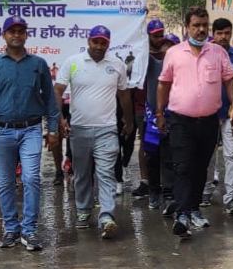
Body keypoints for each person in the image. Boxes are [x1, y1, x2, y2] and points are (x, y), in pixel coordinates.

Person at [0, 16, 60, 251]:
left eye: (21, 31)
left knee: (31, 178)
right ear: (4, 35)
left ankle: (29, 230)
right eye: (12, 31)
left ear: (26, 35)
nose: (17, 35)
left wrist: (53, 130)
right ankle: (11, 228)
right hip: (2, 131)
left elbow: (50, 99)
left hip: (31, 129)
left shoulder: (38, 64)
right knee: (5, 181)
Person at [156, 6, 233, 238]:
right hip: (180, 120)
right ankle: (182, 215)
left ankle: (194, 209)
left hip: (209, 121)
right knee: (183, 166)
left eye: (204, 25)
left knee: (201, 167)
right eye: (196, 25)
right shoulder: (174, 53)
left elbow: (229, 81)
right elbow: (163, 84)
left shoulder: (217, 53)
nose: (201, 30)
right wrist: (159, 113)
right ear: (187, 27)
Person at [55, 25, 134, 239]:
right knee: (82, 173)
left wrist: (128, 121)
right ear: (88, 41)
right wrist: (59, 118)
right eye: (95, 42)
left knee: (106, 173)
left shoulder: (117, 65)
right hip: (79, 129)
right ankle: (83, 210)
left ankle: (106, 216)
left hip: (107, 129)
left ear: (108, 44)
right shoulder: (73, 62)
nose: (99, 46)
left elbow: (124, 95)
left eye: (103, 43)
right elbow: (58, 90)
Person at [201, 18, 233, 215]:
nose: (223, 37)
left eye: (227, 33)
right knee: (208, 155)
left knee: (231, 155)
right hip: (209, 113)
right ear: (213, 33)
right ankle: (206, 190)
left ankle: (232, 197)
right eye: (219, 33)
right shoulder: (205, 54)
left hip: (230, 114)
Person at [130, 19, 168, 199]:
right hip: (143, 107)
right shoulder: (142, 55)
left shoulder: (169, 54)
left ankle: (162, 181)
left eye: (161, 35)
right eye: (155, 36)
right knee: (145, 145)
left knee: (165, 145)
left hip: (166, 107)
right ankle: (146, 180)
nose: (159, 39)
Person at [143, 32, 180, 211]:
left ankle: (168, 194)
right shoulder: (152, 63)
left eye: (172, 45)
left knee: (169, 157)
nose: (168, 49)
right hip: (153, 118)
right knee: (152, 156)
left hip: (174, 116)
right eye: (165, 45)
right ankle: (153, 190)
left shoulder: (182, 68)